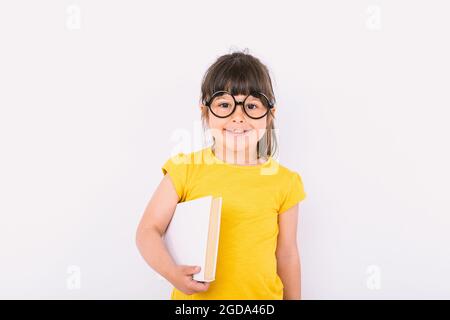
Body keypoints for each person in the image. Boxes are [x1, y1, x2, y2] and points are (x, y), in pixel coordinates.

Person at [136, 50, 307, 300]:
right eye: (225, 104)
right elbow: (148, 230)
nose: (238, 117)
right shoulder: (185, 169)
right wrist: (171, 272)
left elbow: (287, 255)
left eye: (251, 105)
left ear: (270, 114)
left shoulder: (285, 182)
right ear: (206, 112)